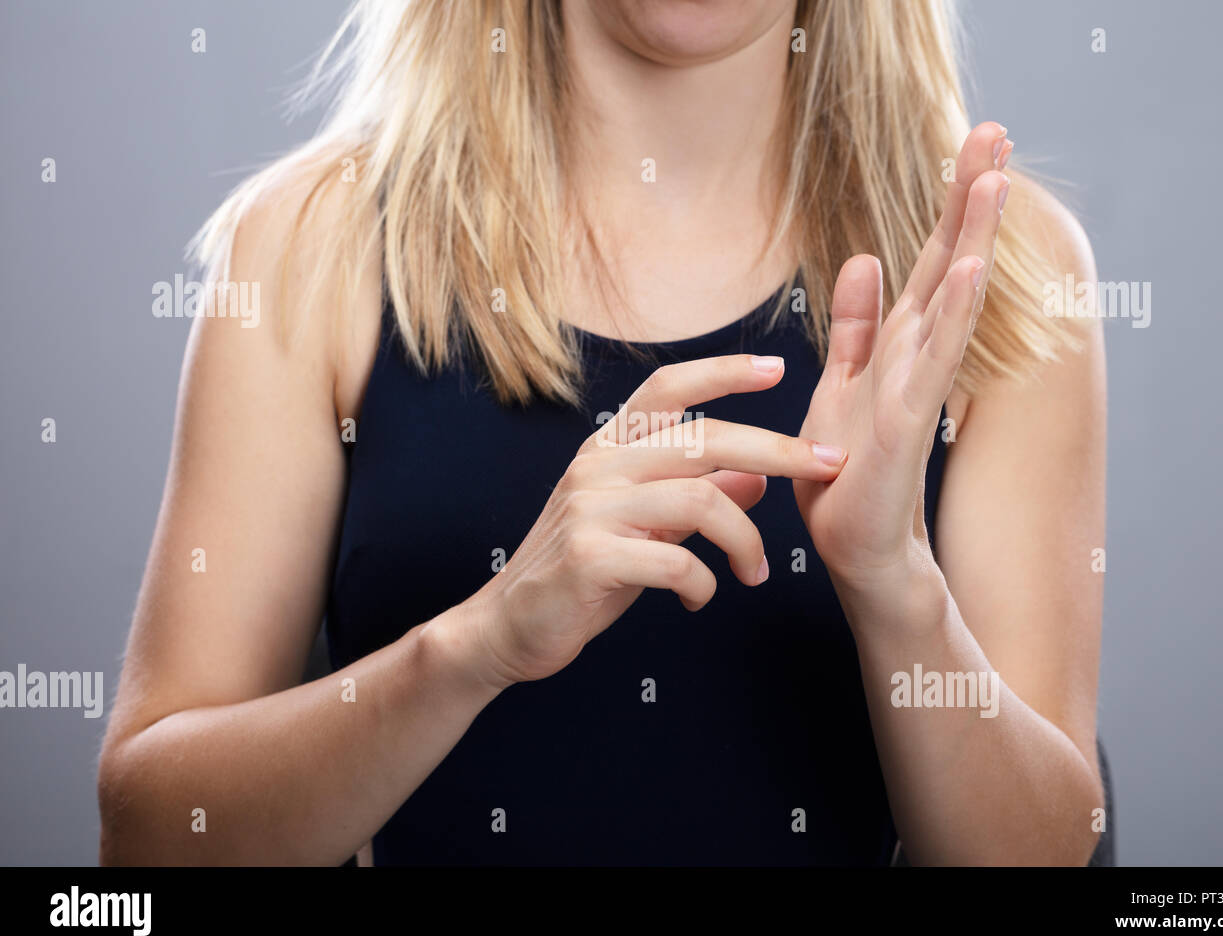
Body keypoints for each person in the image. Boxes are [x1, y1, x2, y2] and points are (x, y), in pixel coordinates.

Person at [98, 0, 1106, 866]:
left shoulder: (1002, 272)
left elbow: (1039, 853)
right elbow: (147, 831)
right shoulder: (307, 248)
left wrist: (895, 584)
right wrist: (475, 646)